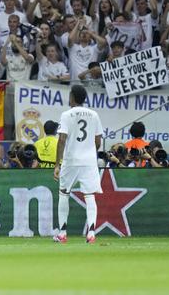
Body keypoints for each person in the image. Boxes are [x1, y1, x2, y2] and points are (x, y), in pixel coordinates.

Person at [53, 85, 103, 244]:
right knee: (89, 196)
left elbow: (61, 140)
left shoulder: (66, 115)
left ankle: (62, 233)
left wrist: (57, 164)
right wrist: (88, 150)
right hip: (89, 161)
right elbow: (98, 141)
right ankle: (91, 233)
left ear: (73, 97)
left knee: (64, 193)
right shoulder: (94, 115)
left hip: (71, 160)